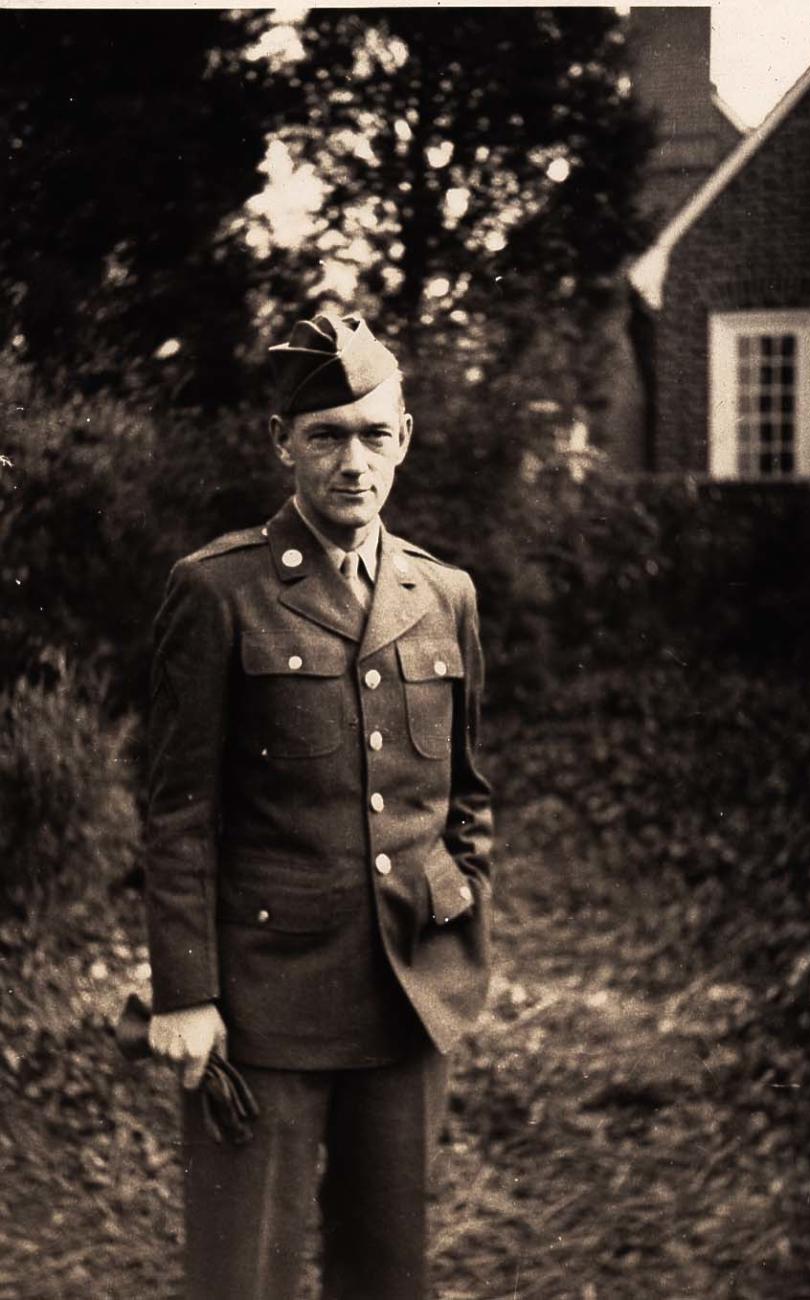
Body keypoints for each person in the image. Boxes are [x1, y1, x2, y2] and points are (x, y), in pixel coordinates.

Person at [144, 311, 493, 1300]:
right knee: (239, 1275)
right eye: (326, 434)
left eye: (373, 434)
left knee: (388, 1274)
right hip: (262, 1004)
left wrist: (456, 918)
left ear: (406, 438)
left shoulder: (446, 593)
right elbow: (176, 812)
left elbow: (467, 793)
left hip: (404, 999)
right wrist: (185, 991)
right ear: (282, 443)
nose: (353, 460)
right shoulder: (219, 592)